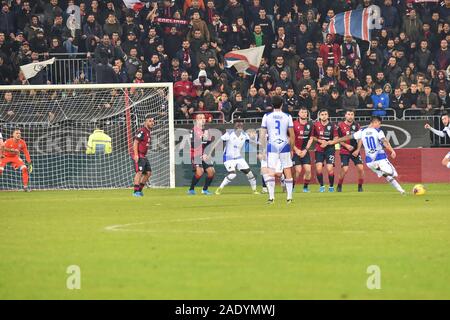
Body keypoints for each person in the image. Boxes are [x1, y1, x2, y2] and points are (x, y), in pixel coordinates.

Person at [331, 116, 405, 194]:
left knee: (387, 177)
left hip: (370, 162)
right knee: (393, 174)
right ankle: (382, 169)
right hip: (380, 158)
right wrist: (392, 151)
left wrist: (335, 141)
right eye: (379, 124)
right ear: (375, 122)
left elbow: (348, 137)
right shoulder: (378, 131)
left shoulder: (362, 131)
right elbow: (384, 141)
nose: (379, 126)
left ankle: (401, 190)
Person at [259, 95, 295, 204]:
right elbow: (292, 135)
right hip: (284, 145)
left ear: (272, 105)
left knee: (271, 171)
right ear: (282, 104)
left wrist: (264, 149)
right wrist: (292, 149)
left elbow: (262, 135)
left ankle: (271, 198)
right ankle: (289, 198)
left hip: (272, 145)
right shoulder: (287, 116)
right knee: (287, 170)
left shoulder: (266, 116)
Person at [215, 119, 258, 195]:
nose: (240, 125)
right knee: (232, 174)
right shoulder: (229, 133)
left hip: (239, 158)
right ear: (235, 125)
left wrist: (260, 145)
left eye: (241, 123)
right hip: (228, 158)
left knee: (250, 174)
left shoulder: (244, 135)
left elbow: (252, 143)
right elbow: (218, 141)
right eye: (238, 123)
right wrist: (209, 154)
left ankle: (254, 190)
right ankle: (219, 189)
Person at [309, 109, 338, 192]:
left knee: (330, 169)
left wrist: (328, 142)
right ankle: (322, 186)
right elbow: (313, 137)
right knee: (318, 169)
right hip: (319, 149)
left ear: (328, 115)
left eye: (325, 114)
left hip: (330, 149)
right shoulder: (315, 125)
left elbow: (336, 138)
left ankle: (331, 186)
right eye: (322, 114)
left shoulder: (333, 125)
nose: (324, 116)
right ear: (319, 116)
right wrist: (320, 141)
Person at [336, 110, 364, 192]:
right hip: (344, 150)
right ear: (345, 115)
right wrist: (346, 145)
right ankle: (339, 185)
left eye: (352, 114)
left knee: (360, 168)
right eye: (348, 114)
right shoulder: (340, 126)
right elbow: (338, 139)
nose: (350, 116)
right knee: (345, 169)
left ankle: (360, 187)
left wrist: (358, 150)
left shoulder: (357, 125)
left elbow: (360, 139)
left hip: (355, 150)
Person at [188, 113, 215, 195]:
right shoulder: (193, 130)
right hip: (195, 154)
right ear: (196, 120)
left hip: (203, 154)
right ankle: (191, 189)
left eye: (203, 118)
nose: (203, 119)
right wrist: (202, 138)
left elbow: (208, 144)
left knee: (211, 171)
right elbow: (193, 144)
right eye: (200, 118)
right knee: (200, 172)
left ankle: (205, 190)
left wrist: (206, 154)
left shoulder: (206, 131)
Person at [292, 107, 314, 193]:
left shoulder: (310, 124)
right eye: (302, 112)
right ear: (299, 114)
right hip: (295, 151)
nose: (304, 114)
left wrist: (305, 150)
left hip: (305, 151)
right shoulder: (294, 124)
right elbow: (290, 138)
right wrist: (296, 150)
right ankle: (292, 187)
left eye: (305, 112)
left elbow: (311, 138)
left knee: (308, 170)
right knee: (298, 170)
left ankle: (305, 188)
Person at [132, 114, 154, 197]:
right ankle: (135, 192)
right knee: (139, 172)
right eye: (150, 121)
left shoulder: (148, 131)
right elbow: (135, 142)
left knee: (148, 173)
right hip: (139, 154)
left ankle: (139, 191)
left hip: (144, 155)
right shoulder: (142, 131)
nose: (152, 123)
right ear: (145, 122)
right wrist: (136, 155)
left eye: (153, 121)